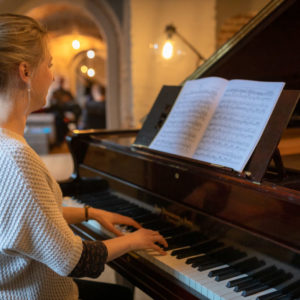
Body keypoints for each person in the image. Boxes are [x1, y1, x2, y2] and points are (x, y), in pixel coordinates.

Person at [0, 13, 167, 300]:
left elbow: (27, 219)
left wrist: (91, 212)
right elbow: (75, 261)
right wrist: (134, 240)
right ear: (25, 71)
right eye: (49, 65)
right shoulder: (17, 158)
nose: (52, 76)